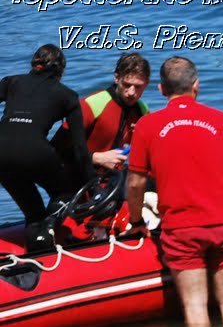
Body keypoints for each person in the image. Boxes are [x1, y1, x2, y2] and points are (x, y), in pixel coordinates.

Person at [125, 56, 223, 327]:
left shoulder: (147, 126)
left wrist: (136, 221)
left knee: (194, 307)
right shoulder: (220, 119)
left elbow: (134, 183)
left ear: (161, 89)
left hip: (183, 228)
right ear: (196, 86)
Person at [0, 44, 89, 250]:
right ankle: (49, 225)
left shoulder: (12, 82)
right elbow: (79, 148)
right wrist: (90, 178)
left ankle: (38, 252)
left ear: (34, 65)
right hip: (35, 152)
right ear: (61, 71)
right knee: (65, 192)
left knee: (33, 214)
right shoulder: (68, 95)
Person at [60, 52, 150, 174]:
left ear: (147, 83)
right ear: (116, 78)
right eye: (127, 85)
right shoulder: (92, 105)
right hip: (83, 182)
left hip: (116, 182)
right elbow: (56, 150)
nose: (131, 92)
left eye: (138, 86)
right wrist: (97, 158)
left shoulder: (143, 110)